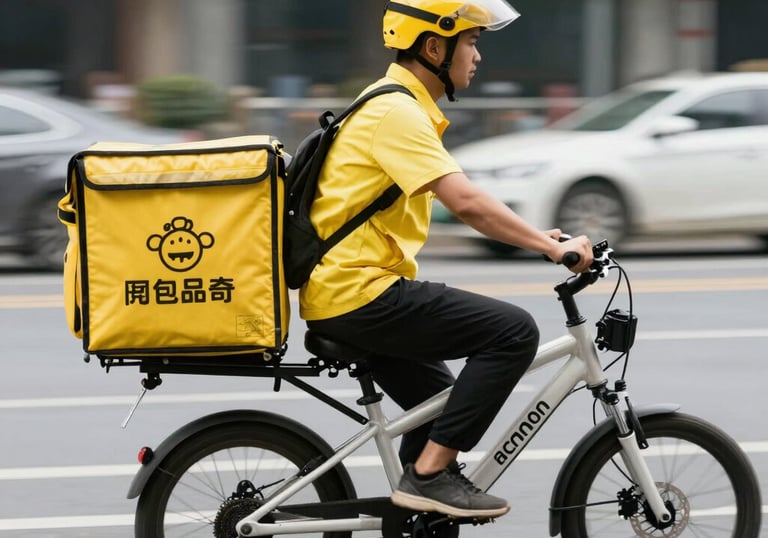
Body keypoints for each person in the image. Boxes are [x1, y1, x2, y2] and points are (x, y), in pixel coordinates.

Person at [301, 0, 594, 519]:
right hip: (359, 292)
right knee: (514, 332)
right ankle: (429, 476)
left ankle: (419, 505)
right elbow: (467, 203)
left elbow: (462, 202)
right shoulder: (396, 112)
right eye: (472, 41)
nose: (477, 55)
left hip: (352, 290)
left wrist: (534, 235)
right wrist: (552, 248)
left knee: (437, 406)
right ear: (434, 47)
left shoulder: (395, 105)